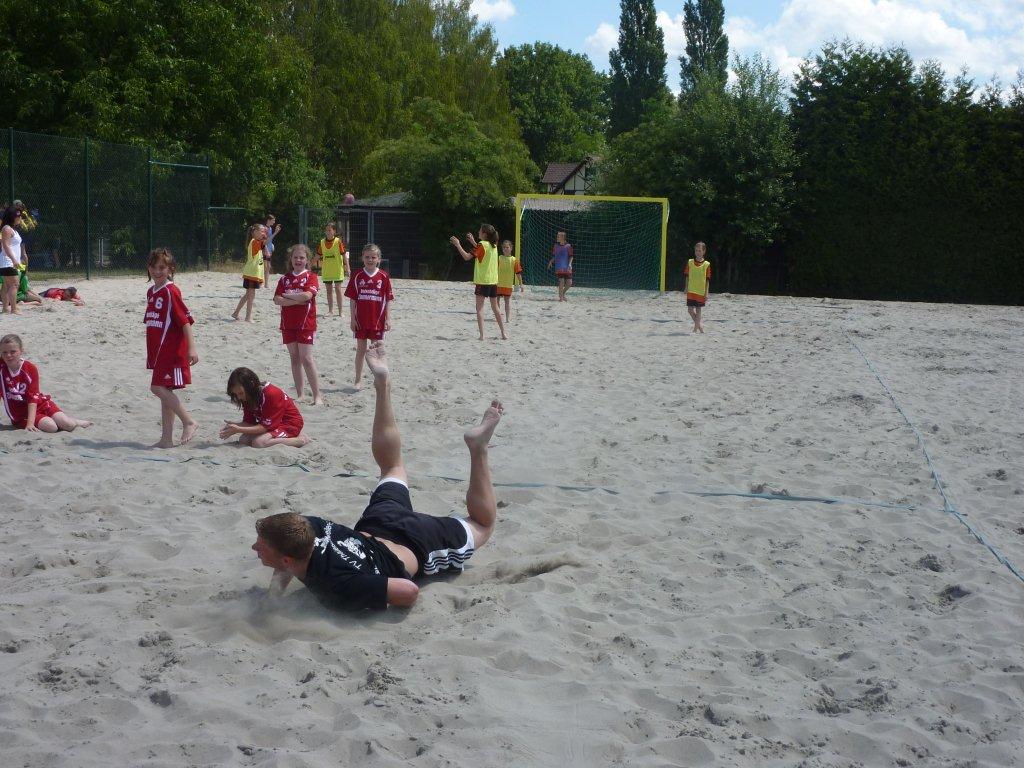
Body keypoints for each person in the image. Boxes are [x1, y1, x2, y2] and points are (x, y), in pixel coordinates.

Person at [251, 342, 504, 610]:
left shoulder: (339, 582)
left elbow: (408, 591)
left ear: (287, 559)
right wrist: (272, 599)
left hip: (418, 541)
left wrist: (376, 594)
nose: (255, 548)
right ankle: (382, 385)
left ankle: (478, 448)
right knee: (392, 468)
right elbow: (284, 558)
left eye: (261, 545)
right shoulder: (305, 528)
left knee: (483, 524)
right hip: (378, 523)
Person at [145, 248, 199, 448]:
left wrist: (192, 348)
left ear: (170, 269)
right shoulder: (151, 292)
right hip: (158, 351)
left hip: (171, 350)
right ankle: (166, 439)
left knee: (157, 387)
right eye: (154, 267)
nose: (157, 271)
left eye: (162, 267)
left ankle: (189, 421)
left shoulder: (171, 291)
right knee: (164, 391)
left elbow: (185, 322)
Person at [1, 334, 93, 432]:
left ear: (21, 351)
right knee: (51, 427)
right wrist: (29, 424)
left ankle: (74, 421)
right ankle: (55, 421)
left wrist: (30, 424)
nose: (8, 355)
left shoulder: (30, 368)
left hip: (40, 404)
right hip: (22, 415)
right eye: (4, 352)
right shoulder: (2, 369)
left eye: (13, 352)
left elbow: (33, 397)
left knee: (68, 425)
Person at [274, 244, 323, 405]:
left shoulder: (311, 277)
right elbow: (277, 299)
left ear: (307, 260)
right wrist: (296, 299)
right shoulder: (284, 279)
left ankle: (317, 396)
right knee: (294, 358)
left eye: (302, 257)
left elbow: (307, 296)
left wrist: (288, 297)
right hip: (287, 324)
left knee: (306, 359)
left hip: (305, 323)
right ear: (291, 259)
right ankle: (300, 394)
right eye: (295, 257)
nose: (298, 260)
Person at [219, 366, 310, 448]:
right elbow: (249, 422)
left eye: (240, 393)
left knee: (259, 442)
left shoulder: (271, 393)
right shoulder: (248, 396)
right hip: (272, 424)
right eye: (236, 394)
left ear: (251, 385)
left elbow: (265, 427)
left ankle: (300, 440)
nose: (239, 397)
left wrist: (238, 429)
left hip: (289, 424)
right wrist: (235, 426)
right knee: (244, 440)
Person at [344, 243, 393, 390]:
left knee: (376, 350)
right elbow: (353, 299)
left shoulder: (383, 276)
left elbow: (388, 299)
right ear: (362, 258)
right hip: (361, 320)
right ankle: (358, 379)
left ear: (378, 259)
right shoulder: (357, 275)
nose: (370, 260)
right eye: (367, 257)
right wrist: (352, 319)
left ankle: (379, 379)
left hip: (377, 320)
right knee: (361, 350)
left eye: (373, 257)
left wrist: (388, 318)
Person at [449, 224, 508, 340]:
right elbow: (483, 252)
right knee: (496, 308)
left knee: (479, 309)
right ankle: (503, 333)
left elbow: (467, 257)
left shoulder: (482, 245)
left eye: (480, 231)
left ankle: (482, 336)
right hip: (493, 281)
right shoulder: (493, 245)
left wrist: (458, 244)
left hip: (482, 281)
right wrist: (473, 242)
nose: (478, 232)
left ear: (484, 234)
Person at [232, 224, 267, 322]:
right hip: (252, 273)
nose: (263, 233)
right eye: (261, 231)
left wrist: (266, 235)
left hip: (252, 273)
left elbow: (264, 243)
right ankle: (248, 317)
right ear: (255, 232)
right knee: (251, 297)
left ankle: (236, 313)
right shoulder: (254, 242)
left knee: (248, 295)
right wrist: (275, 233)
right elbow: (265, 242)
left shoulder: (256, 242)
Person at [316, 222, 350, 317]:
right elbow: (317, 256)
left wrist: (348, 268)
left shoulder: (338, 242)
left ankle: (340, 311)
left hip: (337, 270)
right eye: (326, 230)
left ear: (334, 231)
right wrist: (309, 265)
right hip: (327, 271)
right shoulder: (322, 242)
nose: (328, 232)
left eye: (329, 230)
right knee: (329, 291)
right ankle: (330, 310)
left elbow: (344, 255)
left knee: (338, 290)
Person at [1, 205, 25, 314]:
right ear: (12, 216)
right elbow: (6, 246)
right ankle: (14, 309)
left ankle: (5, 308)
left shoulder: (12, 229)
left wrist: (18, 259)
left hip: (9, 261)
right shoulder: (7, 228)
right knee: (14, 284)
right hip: (8, 261)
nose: (20, 218)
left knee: (6, 285)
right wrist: (14, 260)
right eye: (18, 216)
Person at [684, 241, 711, 334]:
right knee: (690, 310)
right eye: (696, 250)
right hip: (691, 290)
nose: (698, 252)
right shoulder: (690, 262)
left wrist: (706, 293)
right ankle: (699, 327)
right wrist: (686, 287)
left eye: (699, 250)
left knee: (698, 309)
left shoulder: (707, 264)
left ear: (704, 251)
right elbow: (687, 276)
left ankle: (695, 329)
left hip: (701, 291)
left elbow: (707, 280)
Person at [496, 239, 520, 323]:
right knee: (497, 301)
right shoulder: (499, 258)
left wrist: (521, 284)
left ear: (511, 248)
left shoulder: (514, 260)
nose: (506, 249)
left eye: (507, 247)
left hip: (508, 285)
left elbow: (518, 273)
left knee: (507, 302)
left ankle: (507, 319)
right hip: (498, 284)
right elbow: (493, 269)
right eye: (504, 247)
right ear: (502, 249)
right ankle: (498, 316)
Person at [547, 230, 573, 302]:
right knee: (561, 281)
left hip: (567, 267)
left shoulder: (568, 246)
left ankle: (562, 294)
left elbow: (571, 257)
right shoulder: (556, 246)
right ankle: (561, 298)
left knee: (569, 283)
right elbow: (555, 256)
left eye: (558, 236)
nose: (557, 237)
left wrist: (570, 264)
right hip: (559, 267)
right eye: (557, 236)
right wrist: (551, 261)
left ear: (563, 237)